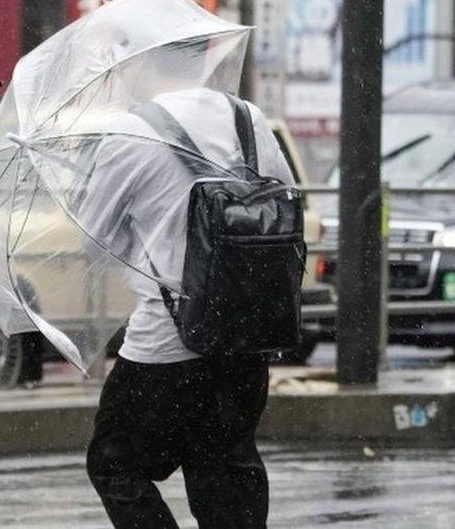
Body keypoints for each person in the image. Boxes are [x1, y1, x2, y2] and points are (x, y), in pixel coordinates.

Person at [79, 87, 294, 528]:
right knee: (225, 475)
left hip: (167, 343)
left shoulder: (130, 132)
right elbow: (282, 199)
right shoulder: (247, 120)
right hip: (245, 337)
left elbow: (94, 244)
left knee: (115, 465)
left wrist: (146, 228)